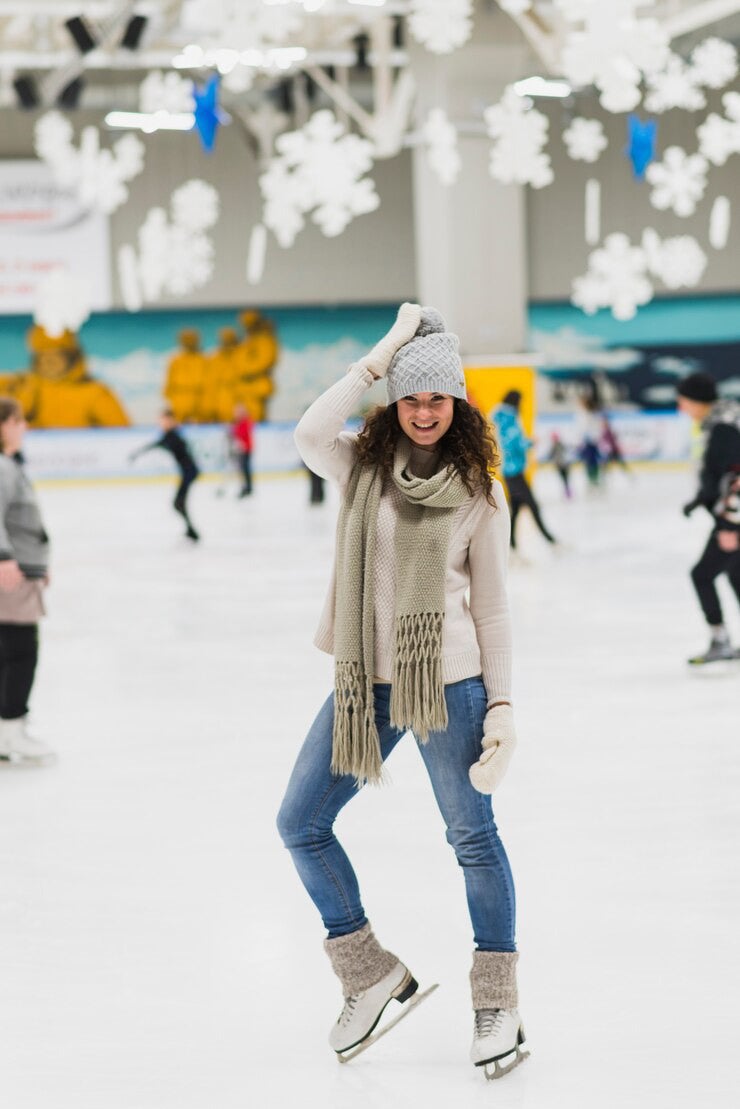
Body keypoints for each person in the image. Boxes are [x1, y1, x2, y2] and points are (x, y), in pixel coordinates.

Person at [277, 305, 527, 1079]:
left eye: (437, 399)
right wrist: (384, 351)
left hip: (450, 684)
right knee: (301, 821)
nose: (423, 413)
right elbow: (308, 433)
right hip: (367, 685)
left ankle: (498, 1000)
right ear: (394, 401)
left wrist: (505, 705)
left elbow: (490, 606)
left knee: (472, 837)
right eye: (411, 397)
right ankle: (368, 972)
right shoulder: (360, 466)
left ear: (457, 404)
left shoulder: (480, 494)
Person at [0, 397, 56, 765]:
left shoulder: (9, 464)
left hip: (22, 570)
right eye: (18, 420)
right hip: (12, 575)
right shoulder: (2, 465)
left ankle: (8, 727)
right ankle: (11, 729)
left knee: (11, 648)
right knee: (21, 651)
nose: (24, 427)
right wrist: (4, 558)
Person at [677, 373, 740, 664]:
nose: (681, 408)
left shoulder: (723, 427)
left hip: (735, 518)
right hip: (731, 514)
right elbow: (718, 474)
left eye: (684, 401)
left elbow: (736, 477)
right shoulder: (723, 420)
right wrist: (700, 499)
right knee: (735, 573)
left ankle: (720, 640)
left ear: (697, 401)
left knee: (702, 575)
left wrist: (729, 525)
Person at [491, 390, 557, 549]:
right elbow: (512, 444)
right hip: (513, 472)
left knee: (516, 510)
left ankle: (512, 546)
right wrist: (530, 442)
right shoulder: (509, 419)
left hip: (512, 471)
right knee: (532, 506)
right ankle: (551, 541)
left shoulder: (504, 418)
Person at [130, 409, 201, 541]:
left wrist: (137, 454)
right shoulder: (170, 435)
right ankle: (190, 530)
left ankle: (192, 531)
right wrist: (137, 454)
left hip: (190, 472)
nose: (161, 423)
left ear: (170, 420)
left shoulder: (173, 435)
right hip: (188, 472)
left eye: (163, 420)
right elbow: (157, 444)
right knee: (178, 504)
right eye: (160, 420)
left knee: (178, 503)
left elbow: (168, 444)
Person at [229, 403, 254, 498]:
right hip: (241, 449)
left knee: (245, 469)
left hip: (245, 449)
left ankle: (248, 487)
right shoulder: (239, 423)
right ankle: (246, 487)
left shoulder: (245, 422)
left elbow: (241, 434)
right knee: (243, 469)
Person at [545, 431, 572, 499]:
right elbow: (550, 455)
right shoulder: (559, 444)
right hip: (562, 465)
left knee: (565, 479)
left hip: (562, 464)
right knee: (565, 479)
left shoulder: (557, 445)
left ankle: (567, 492)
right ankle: (567, 491)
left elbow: (550, 455)